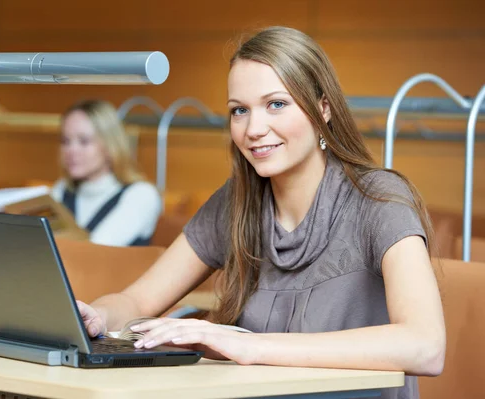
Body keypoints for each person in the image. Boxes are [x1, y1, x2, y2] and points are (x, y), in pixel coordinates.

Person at [76, 27, 445, 399]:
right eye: (240, 110)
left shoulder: (378, 198)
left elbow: (426, 346)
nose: (253, 129)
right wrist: (97, 317)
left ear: (323, 108)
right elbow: (137, 302)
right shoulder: (237, 200)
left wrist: (250, 346)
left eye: (276, 104)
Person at [50, 99, 161, 246]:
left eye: (84, 141)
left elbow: (96, 250)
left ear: (110, 145)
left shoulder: (142, 195)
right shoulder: (62, 189)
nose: (71, 150)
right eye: (65, 141)